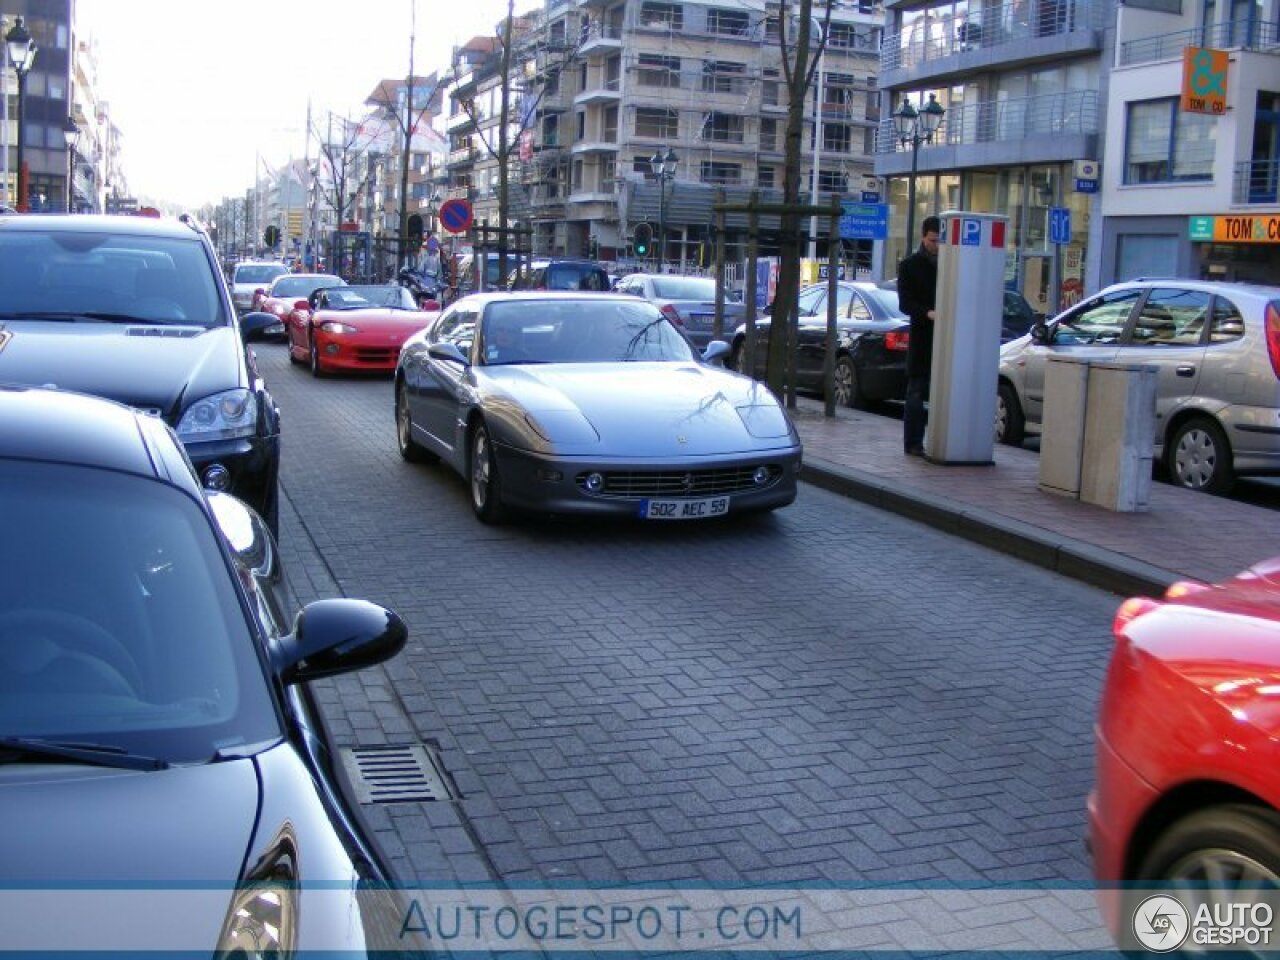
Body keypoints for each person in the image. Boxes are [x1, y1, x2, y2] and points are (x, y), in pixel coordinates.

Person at [897, 215, 940, 457]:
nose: (937, 246)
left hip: (944, 338)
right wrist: (927, 312)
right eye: (933, 241)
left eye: (940, 241)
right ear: (923, 237)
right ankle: (913, 443)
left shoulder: (950, 264)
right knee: (916, 390)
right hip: (923, 336)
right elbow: (905, 303)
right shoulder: (910, 265)